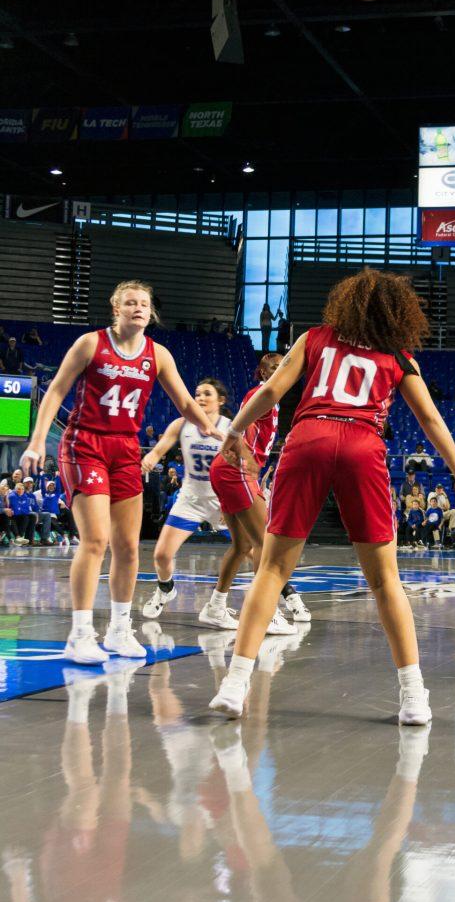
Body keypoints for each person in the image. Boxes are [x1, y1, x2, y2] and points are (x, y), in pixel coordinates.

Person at [209, 267, 455, 724]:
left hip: (308, 437)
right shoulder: (398, 356)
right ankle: (413, 696)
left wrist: (233, 430)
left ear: (345, 303)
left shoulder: (315, 337)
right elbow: (431, 419)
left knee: (271, 568)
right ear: (398, 313)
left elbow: (272, 390)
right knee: (385, 579)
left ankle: (234, 685)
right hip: (361, 442)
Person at [20, 280, 222, 665]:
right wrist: (36, 441)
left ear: (151, 311)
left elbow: (182, 400)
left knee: (129, 548)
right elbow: (57, 391)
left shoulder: (158, 354)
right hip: (85, 444)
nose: (138, 308)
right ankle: (80, 635)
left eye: (144, 303)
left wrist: (212, 429)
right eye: (130, 302)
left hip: (126, 448)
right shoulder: (90, 344)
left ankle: (118, 630)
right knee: (95, 540)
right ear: (116, 309)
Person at [204, 353, 308, 632]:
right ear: (262, 373)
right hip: (233, 469)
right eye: (272, 368)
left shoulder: (269, 398)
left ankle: (215, 607)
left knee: (242, 546)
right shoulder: (262, 392)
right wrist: (245, 456)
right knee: (266, 543)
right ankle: (267, 613)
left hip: (226, 469)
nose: (277, 372)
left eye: (281, 368)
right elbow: (238, 425)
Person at [139, 377, 239, 625]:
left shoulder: (231, 428)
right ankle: (165, 588)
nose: (201, 398)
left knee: (253, 550)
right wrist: (150, 457)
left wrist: (230, 501)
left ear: (221, 401)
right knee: (161, 555)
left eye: (207, 394)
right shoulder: (181, 424)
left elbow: (240, 467)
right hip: (191, 498)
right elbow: (159, 449)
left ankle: (283, 600)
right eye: (197, 394)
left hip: (221, 498)